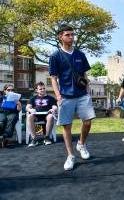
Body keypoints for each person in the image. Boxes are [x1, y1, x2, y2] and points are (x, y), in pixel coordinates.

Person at [49, 24, 96, 171]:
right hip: (66, 96)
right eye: (68, 35)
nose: (71, 37)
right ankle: (70, 156)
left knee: (87, 122)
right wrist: (58, 96)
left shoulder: (80, 55)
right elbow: (53, 78)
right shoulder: (55, 56)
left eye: (72, 34)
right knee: (67, 126)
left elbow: (85, 75)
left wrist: (88, 91)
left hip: (82, 95)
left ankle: (81, 144)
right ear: (60, 36)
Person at [26, 81, 58, 147]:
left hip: (46, 115)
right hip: (36, 116)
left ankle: (47, 137)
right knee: (29, 117)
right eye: (40, 89)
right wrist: (30, 109)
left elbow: (55, 106)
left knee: (51, 116)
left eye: (44, 88)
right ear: (36, 90)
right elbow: (27, 107)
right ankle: (34, 139)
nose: (43, 90)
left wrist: (53, 109)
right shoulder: (33, 98)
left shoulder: (50, 98)